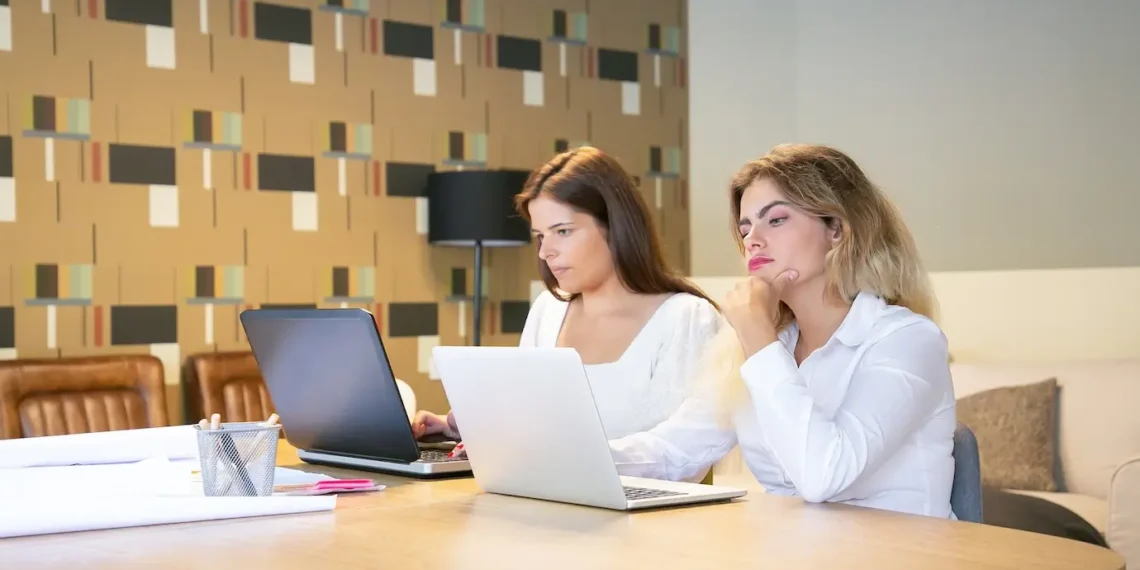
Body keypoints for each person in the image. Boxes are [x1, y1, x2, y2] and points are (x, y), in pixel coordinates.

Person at [609, 143, 958, 519]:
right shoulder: (764, 348)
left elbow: (824, 476)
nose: (752, 240)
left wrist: (759, 337)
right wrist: (567, 455)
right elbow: (672, 451)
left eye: (775, 220)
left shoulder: (907, 340)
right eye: (746, 228)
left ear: (836, 229)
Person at [412, 146, 724, 463]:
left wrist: (574, 462)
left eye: (562, 231)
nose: (546, 252)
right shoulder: (548, 310)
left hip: (641, 509)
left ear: (616, 226)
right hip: (543, 497)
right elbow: (528, 420)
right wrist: (466, 428)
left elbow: (684, 450)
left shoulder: (686, 318)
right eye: (540, 236)